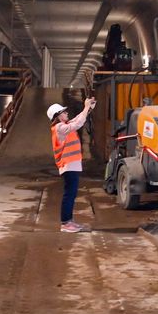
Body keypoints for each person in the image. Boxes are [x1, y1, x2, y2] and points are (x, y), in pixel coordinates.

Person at [48, 98, 95, 233]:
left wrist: (88, 108)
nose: (66, 113)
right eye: (63, 112)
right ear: (57, 116)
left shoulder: (65, 124)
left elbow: (77, 119)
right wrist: (86, 108)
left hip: (71, 165)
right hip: (68, 165)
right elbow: (78, 123)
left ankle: (68, 221)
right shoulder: (59, 128)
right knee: (69, 194)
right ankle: (66, 223)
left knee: (71, 193)